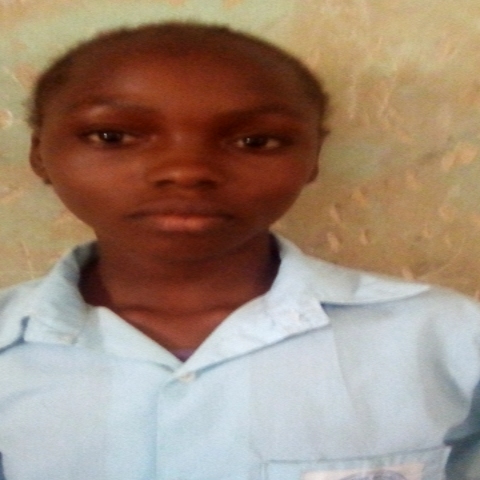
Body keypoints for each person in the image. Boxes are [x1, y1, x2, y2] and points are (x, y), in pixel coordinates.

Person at [0, 21, 479, 480]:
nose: (187, 170)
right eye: (113, 136)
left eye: (255, 141)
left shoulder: (446, 337)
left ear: (313, 156)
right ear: (40, 154)